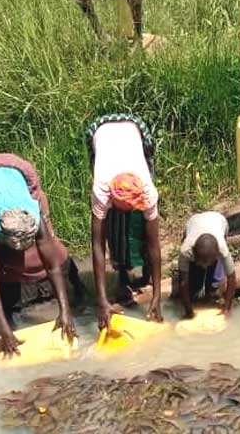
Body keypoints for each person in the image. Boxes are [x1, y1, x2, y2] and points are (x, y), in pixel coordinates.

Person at [0, 153, 79, 358]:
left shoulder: (35, 215)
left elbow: (52, 266)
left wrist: (65, 311)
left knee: (54, 254)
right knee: (1, 275)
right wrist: (4, 330)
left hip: (16, 171)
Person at [86, 113, 163, 329]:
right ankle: (121, 274)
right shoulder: (101, 189)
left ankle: (147, 276)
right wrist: (101, 300)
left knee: (141, 227)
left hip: (134, 129)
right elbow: (97, 246)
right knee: (114, 226)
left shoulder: (147, 190)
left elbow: (154, 244)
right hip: (99, 130)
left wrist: (157, 296)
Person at [177, 211, 237, 319]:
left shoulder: (222, 249)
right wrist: (188, 310)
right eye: (201, 262)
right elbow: (183, 281)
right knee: (193, 283)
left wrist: (227, 308)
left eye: (208, 263)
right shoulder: (186, 250)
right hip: (193, 221)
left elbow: (232, 278)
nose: (204, 266)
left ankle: (212, 286)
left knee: (215, 283)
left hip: (219, 220)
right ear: (194, 253)